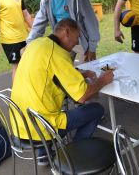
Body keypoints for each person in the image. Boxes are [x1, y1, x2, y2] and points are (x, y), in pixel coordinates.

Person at [11, 18, 113, 164]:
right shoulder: (57, 53)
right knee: (96, 109)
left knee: (41, 103)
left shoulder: (36, 44)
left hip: (20, 123)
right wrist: (103, 80)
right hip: (42, 127)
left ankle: (44, 154)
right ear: (67, 32)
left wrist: (78, 73)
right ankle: (73, 154)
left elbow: (48, 72)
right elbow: (82, 97)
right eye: (77, 37)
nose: (77, 43)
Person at [27, 0, 99, 62]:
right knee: (63, 73)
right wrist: (29, 44)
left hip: (80, 42)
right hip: (61, 43)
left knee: (88, 70)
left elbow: (91, 21)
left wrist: (92, 48)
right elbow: (39, 21)